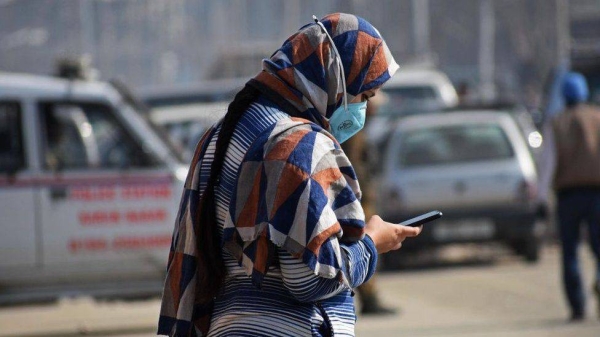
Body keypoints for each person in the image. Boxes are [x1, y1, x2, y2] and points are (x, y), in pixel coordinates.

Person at [158, 13, 422, 336]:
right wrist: (370, 244)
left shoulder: (218, 137)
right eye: (363, 97)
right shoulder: (300, 147)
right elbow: (309, 278)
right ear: (335, 80)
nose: (362, 112)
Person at [539, 72, 600, 322]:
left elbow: (547, 165)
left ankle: (577, 306)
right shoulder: (598, 117)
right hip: (598, 194)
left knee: (570, 252)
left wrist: (542, 200)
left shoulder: (557, 122)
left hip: (569, 197)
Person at [341, 94, 396, 315]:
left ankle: (369, 297)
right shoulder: (351, 131)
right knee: (362, 246)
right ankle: (369, 299)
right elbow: (352, 168)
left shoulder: (358, 129)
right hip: (357, 201)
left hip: (361, 199)